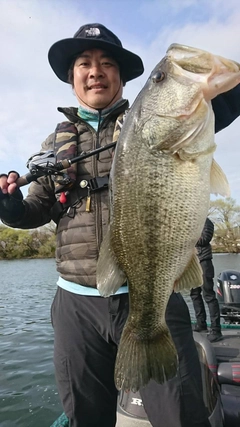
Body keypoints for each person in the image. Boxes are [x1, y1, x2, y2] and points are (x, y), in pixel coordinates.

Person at [0, 23, 240, 427]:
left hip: (154, 294)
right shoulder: (53, 144)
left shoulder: (152, 118)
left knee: (182, 414)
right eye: (85, 64)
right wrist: (8, 205)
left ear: (122, 78)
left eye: (107, 63)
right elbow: (35, 210)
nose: (96, 71)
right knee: (86, 416)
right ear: (72, 78)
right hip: (76, 305)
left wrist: (209, 83)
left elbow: (226, 102)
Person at [191, 218, 223, 343]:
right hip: (192, 265)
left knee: (209, 295)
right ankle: (201, 324)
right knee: (194, 294)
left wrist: (188, 238)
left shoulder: (206, 222)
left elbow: (204, 239)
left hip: (204, 262)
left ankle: (216, 329)